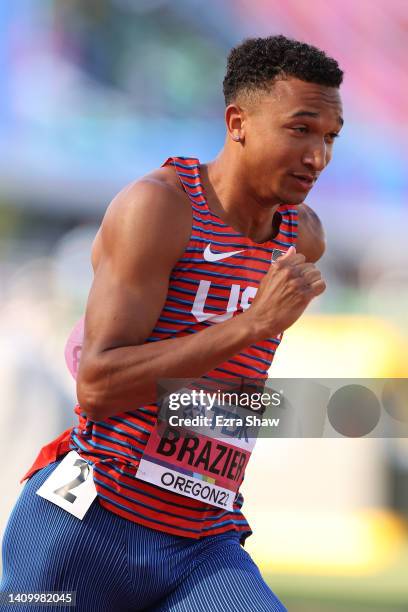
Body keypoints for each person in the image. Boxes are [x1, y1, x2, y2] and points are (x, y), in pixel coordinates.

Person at [0, 35, 343, 611]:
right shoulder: (158, 208)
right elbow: (99, 385)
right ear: (238, 122)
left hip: (203, 540)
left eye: (331, 137)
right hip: (87, 521)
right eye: (300, 130)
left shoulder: (302, 238)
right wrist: (252, 325)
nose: (318, 156)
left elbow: (213, 394)